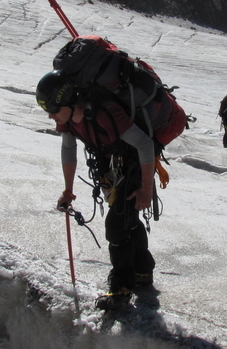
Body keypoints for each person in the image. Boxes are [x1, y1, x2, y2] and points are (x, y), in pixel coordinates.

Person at [36, 70, 156, 310]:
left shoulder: (104, 113)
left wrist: (145, 188)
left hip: (134, 166)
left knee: (115, 226)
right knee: (126, 221)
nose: (51, 116)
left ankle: (122, 288)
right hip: (114, 170)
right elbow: (68, 150)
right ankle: (143, 270)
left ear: (69, 101)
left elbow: (144, 144)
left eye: (54, 110)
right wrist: (68, 191)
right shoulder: (68, 120)